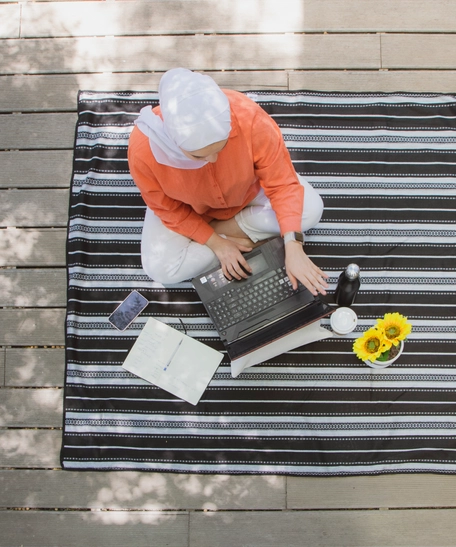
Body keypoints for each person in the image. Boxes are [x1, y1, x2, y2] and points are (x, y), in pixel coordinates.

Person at [128, 68, 329, 296]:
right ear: (173, 140)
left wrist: (293, 245)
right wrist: (217, 244)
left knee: (311, 210)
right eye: (198, 156)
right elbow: (166, 209)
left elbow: (282, 183)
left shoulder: (250, 118)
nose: (212, 160)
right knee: (161, 269)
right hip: (189, 210)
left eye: (221, 147)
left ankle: (223, 232)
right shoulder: (143, 150)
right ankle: (237, 237)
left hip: (248, 193)